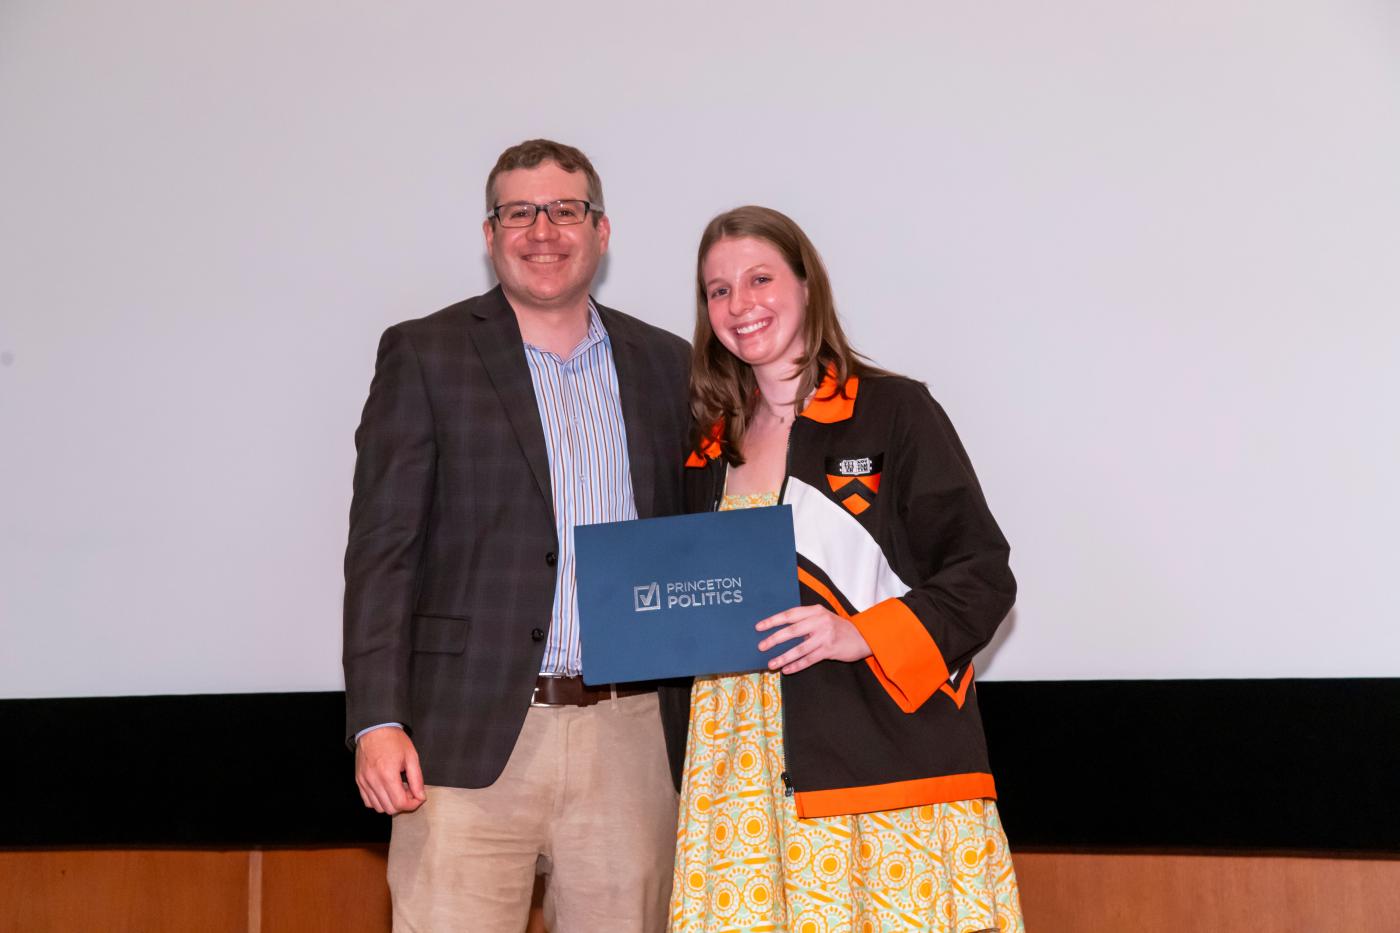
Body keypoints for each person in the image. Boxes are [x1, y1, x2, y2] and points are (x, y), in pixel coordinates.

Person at [343, 139, 691, 933]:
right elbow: (382, 553)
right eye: (519, 212)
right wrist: (376, 719)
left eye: (566, 210)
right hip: (461, 741)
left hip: (630, 741)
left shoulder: (670, 365)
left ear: (601, 232)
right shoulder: (425, 354)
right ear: (491, 233)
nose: (544, 229)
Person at [666, 206, 1023, 932]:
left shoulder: (893, 411)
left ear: (806, 283)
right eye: (718, 290)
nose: (741, 304)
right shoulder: (706, 446)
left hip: (881, 766)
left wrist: (861, 632)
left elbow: (983, 575)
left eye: (760, 278)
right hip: (735, 779)